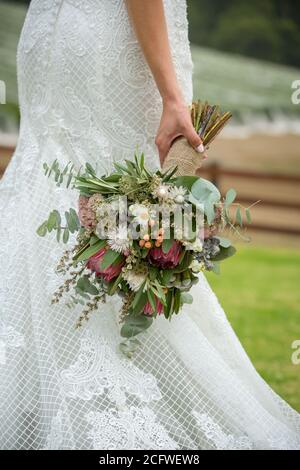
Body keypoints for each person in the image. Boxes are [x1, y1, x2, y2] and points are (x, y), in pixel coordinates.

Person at [0, 0, 299, 450]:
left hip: (53, 31)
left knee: (57, 180)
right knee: (124, 182)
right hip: (115, 40)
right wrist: (173, 96)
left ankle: (36, 404)